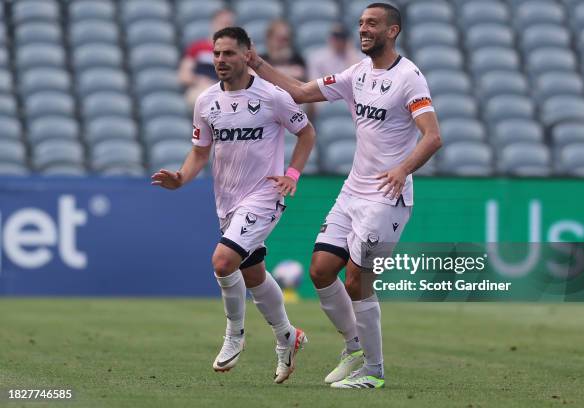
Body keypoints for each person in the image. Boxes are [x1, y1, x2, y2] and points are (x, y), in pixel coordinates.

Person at [248, 3, 442, 389]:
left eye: (372, 23)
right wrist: (256, 62)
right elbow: (302, 91)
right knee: (320, 270)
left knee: (357, 280)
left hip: (387, 197)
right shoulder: (357, 73)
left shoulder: (409, 78)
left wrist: (402, 169)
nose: (364, 29)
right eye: (361, 24)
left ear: (393, 31)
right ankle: (354, 347)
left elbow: (433, 136)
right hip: (353, 190)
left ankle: (374, 370)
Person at [153, 26, 316, 384]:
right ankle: (288, 337)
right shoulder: (206, 101)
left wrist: (292, 174)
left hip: (265, 194)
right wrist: (181, 178)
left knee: (223, 260)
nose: (221, 60)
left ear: (247, 54)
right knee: (252, 272)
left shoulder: (273, 97)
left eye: (229, 53)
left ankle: (234, 334)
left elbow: (306, 133)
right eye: (217, 54)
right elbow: (200, 152)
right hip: (227, 200)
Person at [178, 9, 235, 108]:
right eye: (222, 23)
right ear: (213, 23)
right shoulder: (198, 48)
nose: (225, 28)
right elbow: (184, 75)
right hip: (200, 89)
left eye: (229, 24)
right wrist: (198, 80)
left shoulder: (236, 52)